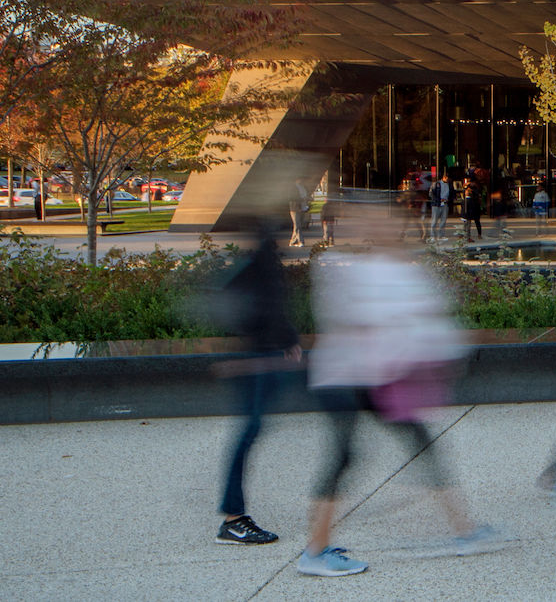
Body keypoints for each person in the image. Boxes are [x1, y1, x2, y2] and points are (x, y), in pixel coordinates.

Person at [300, 201, 507, 577]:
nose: (395, 234)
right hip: (344, 377)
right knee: (345, 456)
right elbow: (373, 323)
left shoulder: (388, 268)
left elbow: (415, 318)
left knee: (420, 444)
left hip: (372, 377)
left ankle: (466, 531)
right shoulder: (350, 269)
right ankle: (315, 552)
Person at [214, 216, 300, 545]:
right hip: (259, 361)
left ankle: (233, 515)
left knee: (251, 430)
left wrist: (287, 340)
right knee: (249, 431)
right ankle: (233, 518)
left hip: (261, 358)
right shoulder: (263, 262)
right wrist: (285, 340)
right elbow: (269, 309)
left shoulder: (260, 260)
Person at [426, 170, 452, 240]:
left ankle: (441, 235)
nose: (447, 179)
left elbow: (451, 193)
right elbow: (431, 194)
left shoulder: (449, 184)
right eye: (446, 178)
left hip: (445, 203)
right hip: (436, 204)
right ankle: (432, 236)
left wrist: (448, 199)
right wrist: (438, 199)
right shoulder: (436, 184)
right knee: (434, 220)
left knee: (443, 220)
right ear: (443, 177)